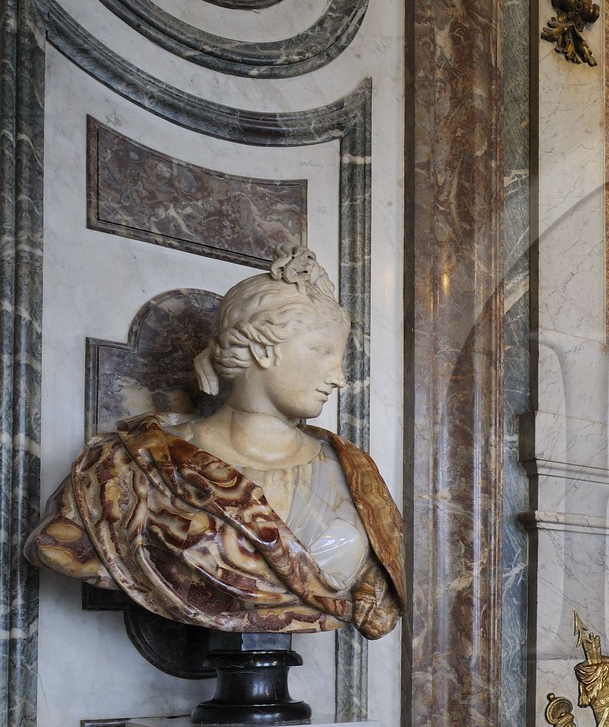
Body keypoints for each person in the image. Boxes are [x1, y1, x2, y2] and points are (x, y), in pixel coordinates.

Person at [26, 247, 404, 638]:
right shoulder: (126, 465)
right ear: (260, 346)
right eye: (322, 351)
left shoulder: (354, 472)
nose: (339, 377)